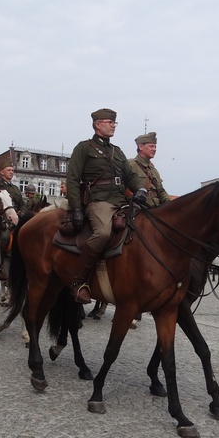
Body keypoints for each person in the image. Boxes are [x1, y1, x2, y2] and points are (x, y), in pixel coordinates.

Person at [66, 108, 147, 303]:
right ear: (97, 124)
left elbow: (130, 176)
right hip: (98, 201)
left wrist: (140, 189)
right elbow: (73, 179)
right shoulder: (84, 148)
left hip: (120, 201)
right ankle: (79, 282)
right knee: (102, 233)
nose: (113, 125)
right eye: (109, 122)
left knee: (147, 225)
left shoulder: (117, 151)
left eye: (114, 123)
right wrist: (76, 208)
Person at [127, 132, 171, 207]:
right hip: (138, 207)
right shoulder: (131, 165)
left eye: (155, 147)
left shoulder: (153, 170)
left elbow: (161, 191)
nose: (154, 149)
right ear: (140, 147)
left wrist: (171, 203)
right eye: (151, 146)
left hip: (155, 208)